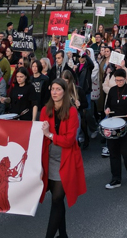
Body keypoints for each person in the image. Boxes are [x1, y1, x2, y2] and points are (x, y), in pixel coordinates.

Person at [40, 79, 86, 238]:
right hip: (50, 159)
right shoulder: (45, 110)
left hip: (67, 159)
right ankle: (64, 235)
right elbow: (39, 136)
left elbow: (69, 140)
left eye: (58, 89)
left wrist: (50, 135)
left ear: (64, 92)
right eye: (52, 89)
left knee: (57, 199)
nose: (54, 92)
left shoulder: (72, 111)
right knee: (57, 201)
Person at [103, 69, 127, 189]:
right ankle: (116, 179)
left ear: (125, 79)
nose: (119, 82)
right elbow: (107, 105)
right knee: (114, 153)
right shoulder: (113, 90)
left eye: (121, 80)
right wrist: (107, 110)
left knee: (126, 152)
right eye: (116, 80)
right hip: (113, 125)